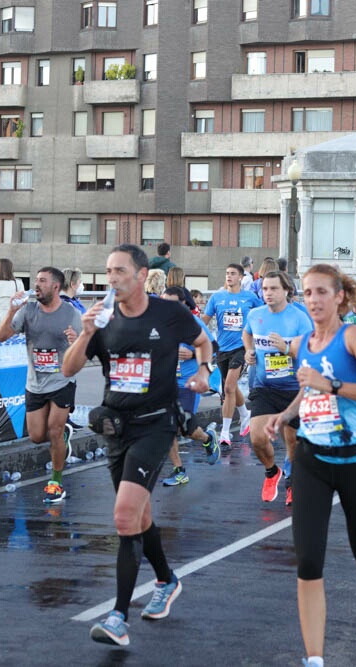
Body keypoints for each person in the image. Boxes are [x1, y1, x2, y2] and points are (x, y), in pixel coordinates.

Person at [62, 244, 214, 647]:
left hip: (156, 426)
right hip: (116, 427)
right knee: (139, 517)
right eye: (108, 271)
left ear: (142, 275)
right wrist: (87, 333)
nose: (111, 278)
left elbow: (203, 341)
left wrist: (203, 370)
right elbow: (69, 368)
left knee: (125, 517)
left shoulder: (169, 313)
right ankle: (165, 579)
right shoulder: (103, 317)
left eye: (119, 271)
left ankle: (117, 617)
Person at [263, 264, 356, 666]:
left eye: (322, 292)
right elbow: (309, 390)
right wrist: (287, 415)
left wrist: (335, 385)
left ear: (340, 296)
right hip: (311, 459)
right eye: (308, 293)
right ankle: (315, 659)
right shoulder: (303, 342)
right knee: (308, 560)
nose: (314, 300)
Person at [0, 267, 82, 504]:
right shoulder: (28, 310)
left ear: (56, 286)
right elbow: (0, 337)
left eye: (42, 281)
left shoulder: (70, 312)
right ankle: (64, 435)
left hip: (62, 379)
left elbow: (87, 345)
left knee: (53, 430)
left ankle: (55, 482)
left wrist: (77, 342)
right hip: (35, 382)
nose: (37, 284)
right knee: (36, 436)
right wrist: (11, 310)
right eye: (36, 280)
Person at [242, 271, 314, 505]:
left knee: (292, 443)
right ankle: (272, 471)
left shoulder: (299, 318)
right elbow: (247, 333)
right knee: (257, 438)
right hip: (264, 387)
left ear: (286, 291)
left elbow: (310, 353)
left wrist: (286, 348)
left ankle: (292, 482)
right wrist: (249, 351)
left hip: (294, 389)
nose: (268, 293)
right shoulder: (255, 315)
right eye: (265, 289)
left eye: (273, 288)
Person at [160, 286, 221, 487]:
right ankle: (179, 470)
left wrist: (193, 355)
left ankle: (207, 439)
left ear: (183, 304)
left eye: (173, 303)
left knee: (184, 427)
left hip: (188, 383)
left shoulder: (192, 323)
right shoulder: (157, 323)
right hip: (165, 383)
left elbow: (214, 348)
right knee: (167, 427)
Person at [202, 264, 262, 446]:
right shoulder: (217, 297)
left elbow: (262, 315)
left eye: (233, 274)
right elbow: (204, 322)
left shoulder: (250, 297)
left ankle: (225, 432)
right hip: (222, 348)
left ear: (241, 277)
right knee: (231, 386)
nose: (229, 276)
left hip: (241, 347)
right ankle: (245, 414)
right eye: (227, 273)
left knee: (228, 387)